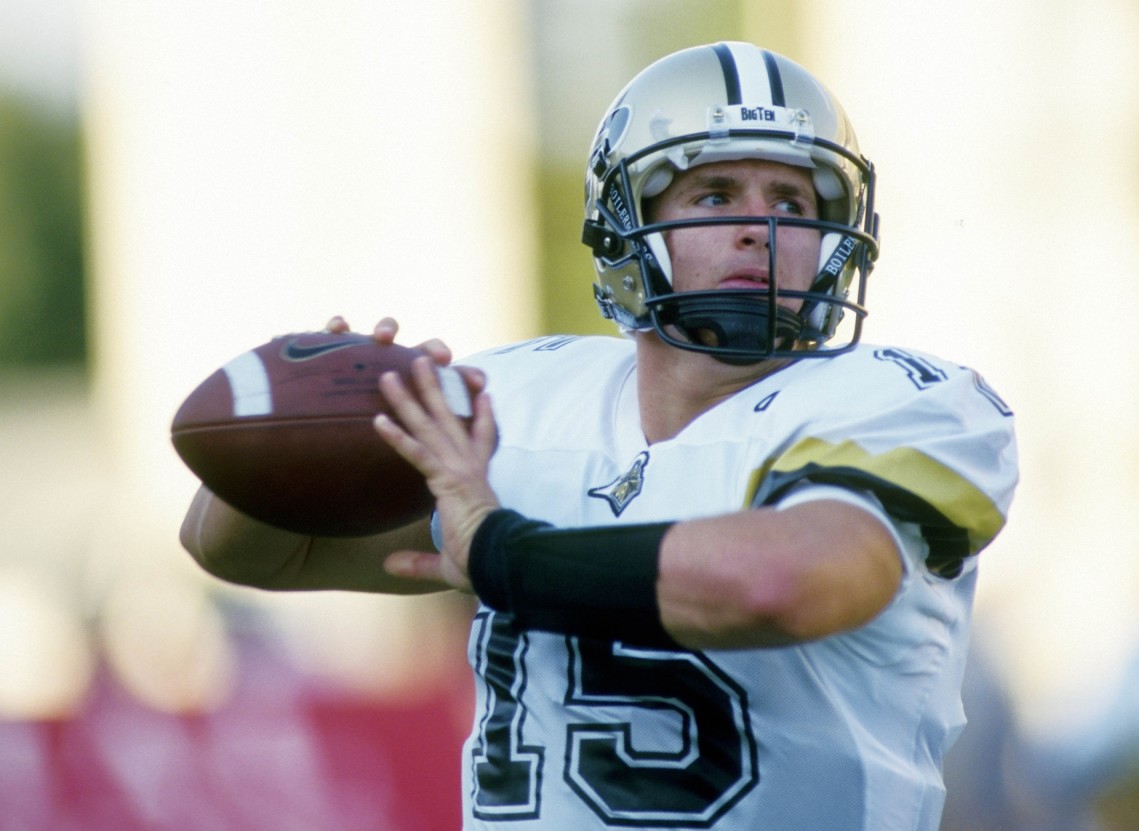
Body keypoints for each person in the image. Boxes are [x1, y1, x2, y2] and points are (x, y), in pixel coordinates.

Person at [181, 41, 1018, 830]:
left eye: (792, 203)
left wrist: (503, 552)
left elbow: (786, 583)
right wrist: (312, 427)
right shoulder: (517, 398)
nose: (758, 228)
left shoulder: (899, 400)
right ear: (625, 224)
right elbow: (250, 553)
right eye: (715, 194)